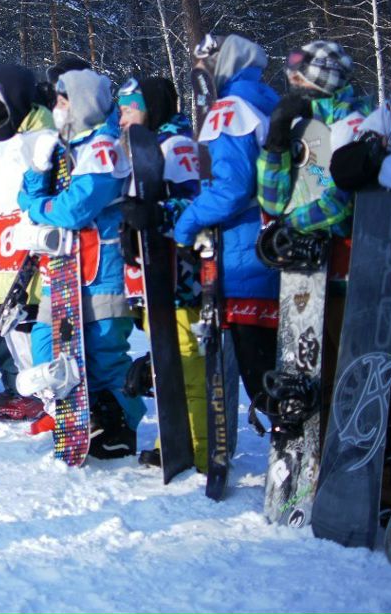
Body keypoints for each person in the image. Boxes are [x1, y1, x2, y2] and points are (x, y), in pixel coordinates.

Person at [331, 32, 391, 529]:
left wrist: (378, 162)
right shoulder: (388, 114)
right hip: (389, 275)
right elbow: (344, 165)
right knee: (377, 380)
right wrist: (375, 160)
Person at [16, 67, 144, 459]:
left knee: (105, 354)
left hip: (102, 267)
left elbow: (75, 208)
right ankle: (75, 412)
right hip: (64, 268)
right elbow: (30, 196)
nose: (56, 109)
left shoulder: (102, 147)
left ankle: (119, 423)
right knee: (45, 343)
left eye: (62, 101)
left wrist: (35, 208)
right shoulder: (65, 146)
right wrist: (36, 171)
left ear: (82, 103)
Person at [255, 41, 371, 434]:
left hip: (344, 267)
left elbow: (340, 202)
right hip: (302, 269)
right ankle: (314, 456)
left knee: (344, 372)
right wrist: (275, 141)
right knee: (305, 374)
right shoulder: (300, 121)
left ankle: (364, 465)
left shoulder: (353, 121)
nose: (291, 77)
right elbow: (273, 199)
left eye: (298, 70)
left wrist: (292, 225)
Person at [173, 34, 280, 423]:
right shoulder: (267, 98)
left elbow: (232, 188)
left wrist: (186, 223)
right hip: (274, 242)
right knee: (281, 359)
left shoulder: (230, 109)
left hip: (243, 252)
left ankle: (294, 451)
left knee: (259, 367)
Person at [117, 77, 206, 471]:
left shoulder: (177, 145)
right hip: (155, 272)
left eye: (129, 109)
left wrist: (154, 215)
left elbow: (193, 204)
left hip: (182, 272)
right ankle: (173, 435)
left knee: (186, 360)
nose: (121, 118)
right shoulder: (145, 146)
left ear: (151, 107)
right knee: (166, 357)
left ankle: (201, 448)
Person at [0, 63, 52, 420]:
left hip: (27, 248)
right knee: (11, 327)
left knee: (32, 325)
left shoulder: (39, 139)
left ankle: (53, 397)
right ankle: (37, 395)